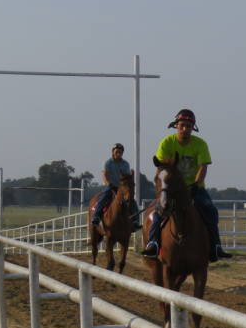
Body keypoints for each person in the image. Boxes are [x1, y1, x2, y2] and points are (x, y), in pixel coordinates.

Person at [142, 109, 233, 261]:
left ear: (193, 128)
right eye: (182, 125)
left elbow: (203, 167)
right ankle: (153, 244)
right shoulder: (167, 143)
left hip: (194, 187)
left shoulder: (200, 144)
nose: (185, 129)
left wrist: (196, 185)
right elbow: (161, 167)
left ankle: (216, 247)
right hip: (171, 189)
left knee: (210, 211)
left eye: (188, 126)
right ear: (176, 126)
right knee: (158, 211)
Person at [91, 143, 141, 230]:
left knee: (131, 200)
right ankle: (96, 216)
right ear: (112, 152)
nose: (118, 154)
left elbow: (126, 176)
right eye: (117, 152)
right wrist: (109, 184)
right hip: (110, 186)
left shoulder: (125, 164)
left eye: (120, 152)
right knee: (105, 196)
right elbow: (105, 176)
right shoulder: (108, 163)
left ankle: (136, 221)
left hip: (122, 188)